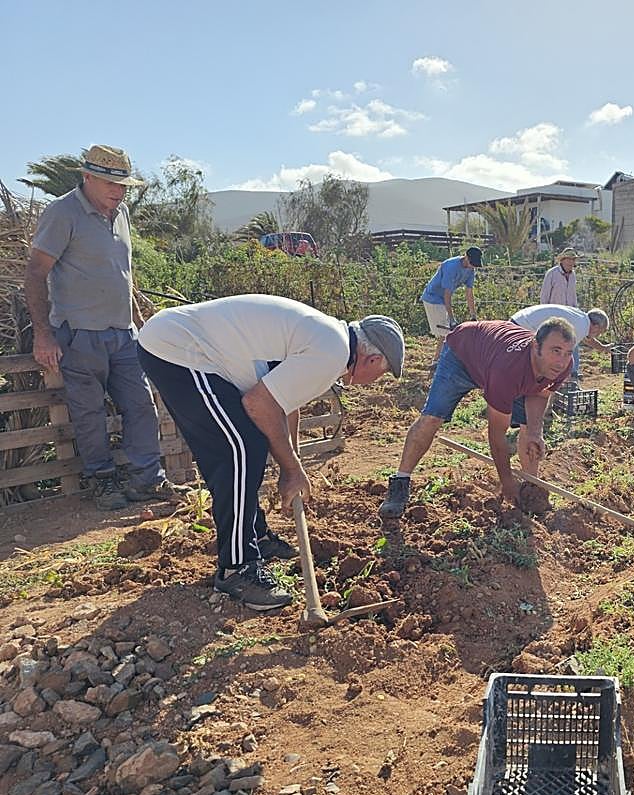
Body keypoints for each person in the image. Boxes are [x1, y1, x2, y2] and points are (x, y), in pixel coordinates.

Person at [137, 294, 405, 611]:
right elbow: (259, 403)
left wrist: (289, 466)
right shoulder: (331, 352)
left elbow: (283, 406)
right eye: (383, 373)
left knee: (248, 444)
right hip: (178, 350)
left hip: (185, 348)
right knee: (238, 449)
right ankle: (237, 567)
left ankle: (256, 537)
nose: (376, 380)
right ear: (373, 361)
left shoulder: (329, 341)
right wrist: (291, 471)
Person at [24, 144, 188, 510]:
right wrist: (43, 334)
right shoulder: (63, 213)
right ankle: (101, 481)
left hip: (123, 333)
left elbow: (122, 275)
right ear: (87, 178)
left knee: (141, 405)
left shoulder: (121, 213)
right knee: (89, 413)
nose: (119, 191)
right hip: (79, 333)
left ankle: (148, 479)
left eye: (124, 185)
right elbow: (36, 273)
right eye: (111, 183)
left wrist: (140, 321)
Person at [378, 319, 574, 519]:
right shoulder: (507, 370)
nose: (562, 361)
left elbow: (540, 393)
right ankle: (400, 484)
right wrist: (506, 482)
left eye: (567, 352)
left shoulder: (563, 366)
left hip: (494, 359)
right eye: (555, 351)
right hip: (462, 354)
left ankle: (532, 493)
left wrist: (534, 431)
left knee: (529, 433)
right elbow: (497, 436)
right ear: (535, 346)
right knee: (432, 417)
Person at [510, 303, 610, 379]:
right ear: (596, 327)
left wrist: (603, 348)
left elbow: (588, 340)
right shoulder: (581, 328)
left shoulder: (581, 319)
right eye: (600, 332)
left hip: (519, 319)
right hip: (522, 328)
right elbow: (567, 354)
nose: (598, 335)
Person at [421, 246, 482, 366]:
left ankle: (438, 360)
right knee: (446, 331)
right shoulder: (451, 266)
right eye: (472, 263)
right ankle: (439, 362)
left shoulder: (471, 269)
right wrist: (452, 318)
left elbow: (469, 292)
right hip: (433, 298)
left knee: (447, 332)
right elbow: (447, 295)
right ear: (466, 257)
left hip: (443, 299)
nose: (472, 266)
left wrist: (473, 316)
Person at [540, 248, 582, 373]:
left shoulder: (573, 275)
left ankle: (573, 371)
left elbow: (573, 296)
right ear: (563, 260)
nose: (571, 262)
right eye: (569, 259)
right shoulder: (552, 274)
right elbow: (544, 296)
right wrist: (545, 315)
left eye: (573, 260)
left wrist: (576, 312)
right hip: (554, 316)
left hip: (570, 315)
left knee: (573, 341)